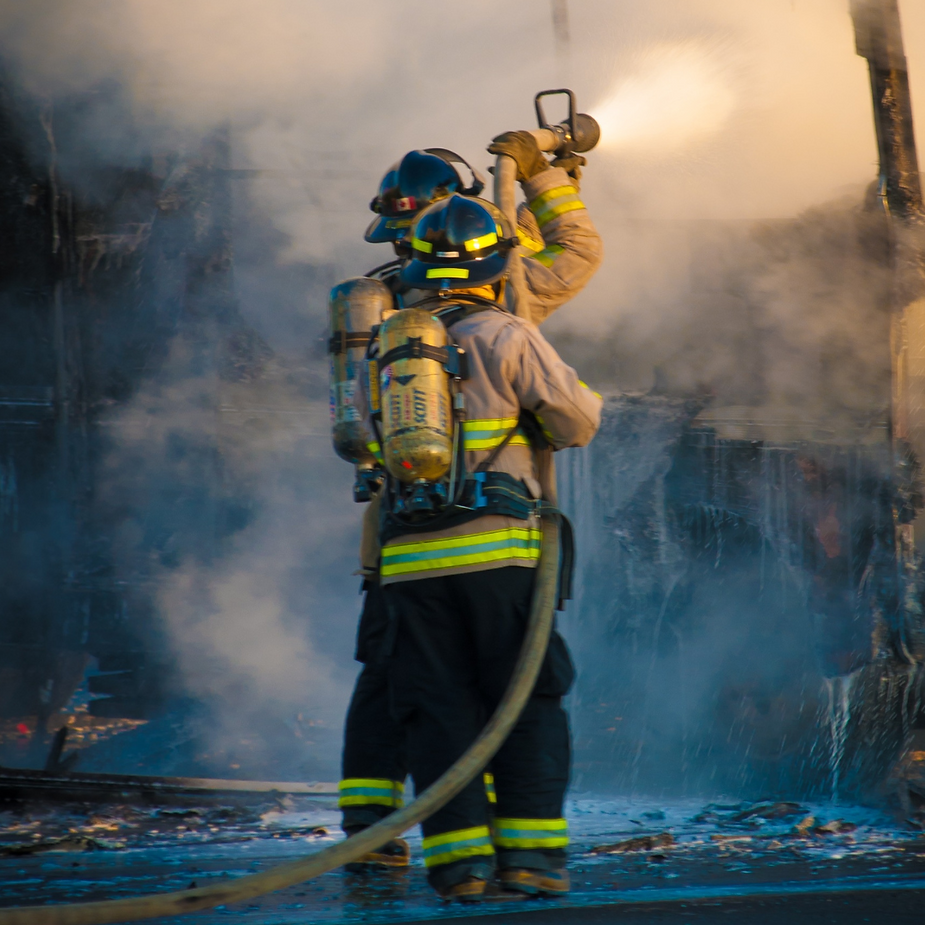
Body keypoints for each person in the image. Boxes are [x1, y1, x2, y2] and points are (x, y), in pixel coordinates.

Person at [338, 133, 603, 871]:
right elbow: (575, 253)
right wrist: (545, 177)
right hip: (497, 540)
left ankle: (401, 836)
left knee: (417, 691)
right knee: (514, 694)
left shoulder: (381, 319)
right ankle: (526, 857)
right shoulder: (504, 313)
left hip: (401, 538)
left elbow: (356, 433)